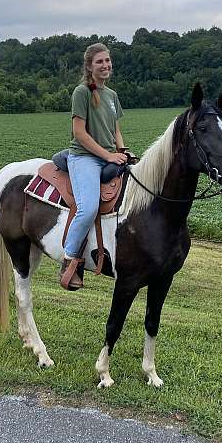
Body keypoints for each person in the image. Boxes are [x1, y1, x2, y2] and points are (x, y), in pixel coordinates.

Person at [60, 43, 128, 290]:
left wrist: (122, 152)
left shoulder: (112, 96)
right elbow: (79, 133)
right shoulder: (82, 92)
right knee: (88, 208)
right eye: (99, 62)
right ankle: (69, 259)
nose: (105, 65)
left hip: (109, 155)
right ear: (89, 66)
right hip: (84, 157)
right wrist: (108, 156)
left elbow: (116, 130)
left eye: (108, 61)